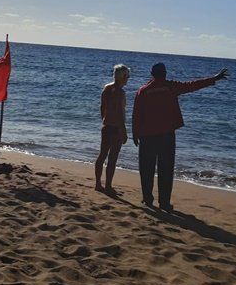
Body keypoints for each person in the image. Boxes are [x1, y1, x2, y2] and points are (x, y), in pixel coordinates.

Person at [132, 63, 228, 211]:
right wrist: (214, 78)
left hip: (147, 136)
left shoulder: (143, 91)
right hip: (167, 136)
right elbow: (192, 85)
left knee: (146, 169)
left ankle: (148, 199)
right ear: (165, 73)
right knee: (166, 170)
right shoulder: (171, 87)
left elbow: (136, 115)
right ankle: (164, 202)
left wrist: (135, 133)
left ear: (152, 74)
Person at [95, 64, 130, 193]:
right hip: (116, 128)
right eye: (127, 76)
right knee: (112, 158)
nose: (128, 79)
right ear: (123, 77)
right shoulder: (121, 93)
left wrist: (104, 119)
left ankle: (98, 183)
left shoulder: (107, 88)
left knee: (102, 155)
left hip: (106, 126)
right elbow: (121, 114)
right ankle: (108, 186)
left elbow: (102, 107)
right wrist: (124, 131)